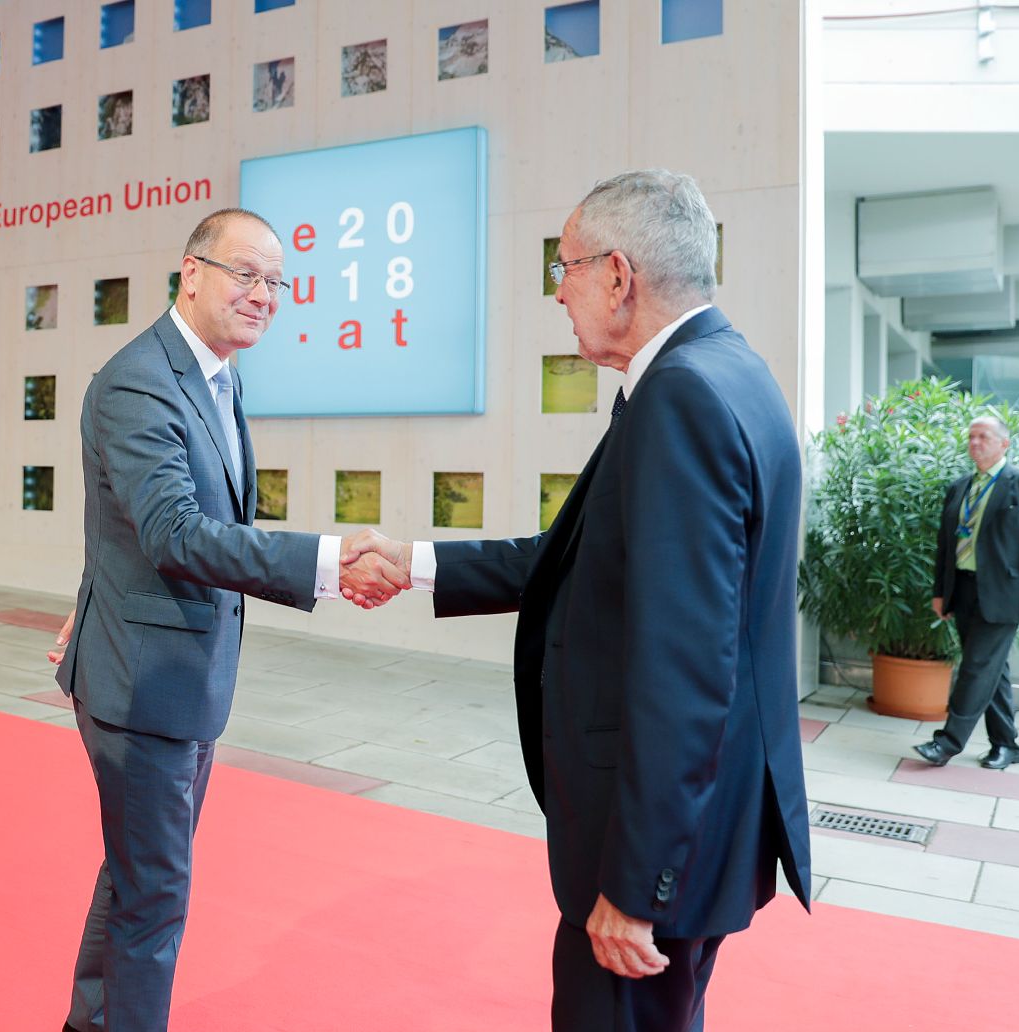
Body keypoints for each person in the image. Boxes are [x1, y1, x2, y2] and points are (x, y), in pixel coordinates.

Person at [345, 170, 812, 1032]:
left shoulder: (681, 398)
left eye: (564, 266)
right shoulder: (725, 370)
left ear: (618, 275)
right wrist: (414, 561)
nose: (558, 291)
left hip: (659, 851)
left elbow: (686, 664)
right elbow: (581, 559)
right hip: (706, 824)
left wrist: (636, 887)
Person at [47, 207, 407, 1032]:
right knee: (154, 893)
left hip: (177, 677)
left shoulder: (217, 372)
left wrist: (89, 590)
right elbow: (172, 533)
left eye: (276, 281)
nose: (262, 294)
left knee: (138, 876)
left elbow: (122, 518)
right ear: (192, 272)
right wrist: (324, 559)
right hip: (144, 685)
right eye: (244, 274)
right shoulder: (142, 379)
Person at [916, 415, 1019, 770]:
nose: (975, 442)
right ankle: (1006, 744)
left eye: (983, 437)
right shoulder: (960, 486)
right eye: (971, 436)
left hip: (1005, 594)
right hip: (963, 589)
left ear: (1004, 444)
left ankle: (947, 743)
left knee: (976, 667)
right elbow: (946, 545)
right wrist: (940, 592)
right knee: (993, 670)